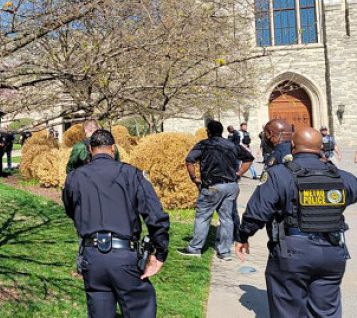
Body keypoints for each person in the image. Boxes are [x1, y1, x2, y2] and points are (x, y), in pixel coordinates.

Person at [236, 127, 357, 318]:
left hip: (292, 252)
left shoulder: (278, 174)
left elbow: (258, 211)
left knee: (289, 311)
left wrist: (243, 236)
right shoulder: (341, 177)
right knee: (326, 312)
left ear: (293, 145)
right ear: (321, 147)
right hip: (332, 251)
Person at [63, 129, 170, 318]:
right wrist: (159, 253)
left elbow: (71, 210)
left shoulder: (75, 177)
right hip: (124, 256)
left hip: (92, 256)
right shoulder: (131, 174)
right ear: (113, 148)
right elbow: (155, 216)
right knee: (140, 309)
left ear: (90, 149)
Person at [178, 120, 253, 261]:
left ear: (208, 132)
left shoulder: (204, 144)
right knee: (226, 218)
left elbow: (189, 161)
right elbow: (249, 158)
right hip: (231, 186)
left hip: (212, 186)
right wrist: (239, 173)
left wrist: (194, 178)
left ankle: (195, 248)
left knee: (203, 217)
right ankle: (224, 252)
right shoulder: (232, 145)